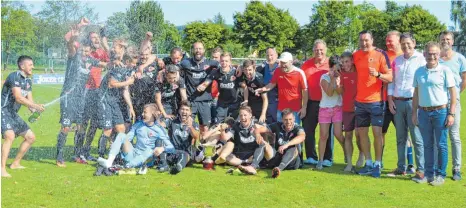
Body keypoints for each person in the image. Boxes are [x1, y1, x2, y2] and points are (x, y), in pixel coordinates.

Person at [56, 24, 107, 167]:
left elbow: (106, 64)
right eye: (83, 50)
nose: (84, 53)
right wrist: (74, 34)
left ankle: (78, 154)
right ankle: (59, 157)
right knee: (65, 126)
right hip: (68, 96)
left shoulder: (91, 60)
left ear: (90, 51)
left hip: (80, 98)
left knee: (80, 127)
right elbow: (70, 44)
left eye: (87, 51)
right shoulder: (74, 56)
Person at [412, 41, 456, 186]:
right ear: (424, 54)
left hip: (441, 112)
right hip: (424, 112)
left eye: (435, 54)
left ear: (439, 54)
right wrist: (414, 113)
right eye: (429, 54)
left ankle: (440, 175)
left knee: (441, 144)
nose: (432, 56)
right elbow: (416, 94)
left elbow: (453, 93)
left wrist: (451, 113)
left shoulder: (445, 70)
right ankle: (428, 174)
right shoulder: (419, 71)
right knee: (427, 145)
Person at [353, 30, 392, 178]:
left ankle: (377, 163)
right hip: (360, 102)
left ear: (372, 40)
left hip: (376, 101)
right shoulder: (355, 55)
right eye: (361, 40)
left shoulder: (381, 54)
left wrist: (378, 75)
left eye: (366, 40)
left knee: (377, 133)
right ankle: (368, 162)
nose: (364, 43)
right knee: (362, 133)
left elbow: (390, 77)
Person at [387, 33, 426, 180]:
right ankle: (401, 167)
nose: (406, 46)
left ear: (414, 43)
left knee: (416, 137)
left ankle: (420, 170)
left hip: (413, 103)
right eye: (403, 44)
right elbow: (392, 82)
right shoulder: (397, 60)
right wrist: (390, 100)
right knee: (400, 137)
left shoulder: (421, 59)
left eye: (408, 43)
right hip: (398, 102)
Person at [1, 56, 45, 177]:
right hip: (3, 111)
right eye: (30, 65)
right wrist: (35, 106)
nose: (33, 67)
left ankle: (15, 163)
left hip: (13, 114)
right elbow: (19, 98)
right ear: (22, 66)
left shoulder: (28, 81)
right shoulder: (14, 76)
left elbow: (29, 101)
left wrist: (34, 111)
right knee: (9, 136)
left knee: (30, 137)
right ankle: (1, 168)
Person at [97, 104, 174, 169]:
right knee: (121, 135)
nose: (142, 114)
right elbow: (127, 138)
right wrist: (117, 144)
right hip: (133, 154)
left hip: (147, 159)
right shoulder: (138, 125)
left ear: (153, 114)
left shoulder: (159, 129)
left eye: (145, 112)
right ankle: (109, 162)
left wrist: (162, 148)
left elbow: (171, 148)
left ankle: (127, 166)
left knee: (150, 150)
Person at [95, 39, 135, 159]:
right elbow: (111, 84)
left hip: (114, 101)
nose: (134, 65)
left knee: (121, 128)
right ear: (128, 61)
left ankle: (116, 156)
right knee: (108, 129)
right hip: (105, 100)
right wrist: (127, 81)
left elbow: (125, 90)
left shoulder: (126, 68)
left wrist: (131, 107)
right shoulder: (117, 65)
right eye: (133, 63)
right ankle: (101, 157)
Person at [301, 39, 334, 166]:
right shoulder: (306, 65)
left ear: (325, 50)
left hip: (327, 103)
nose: (319, 52)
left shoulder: (330, 63)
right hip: (310, 102)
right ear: (313, 51)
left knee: (326, 132)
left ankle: (327, 158)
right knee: (308, 130)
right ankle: (311, 156)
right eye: (316, 50)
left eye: (321, 50)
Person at [438, 31, 465, 181]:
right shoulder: (436, 59)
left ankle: (456, 168)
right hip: (438, 103)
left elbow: (464, 80)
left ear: (452, 41)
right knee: (439, 137)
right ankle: (438, 167)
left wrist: (455, 96)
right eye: (442, 39)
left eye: (448, 39)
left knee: (454, 136)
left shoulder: (460, 59)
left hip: (454, 103)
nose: (445, 41)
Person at [255, 52, 308, 124]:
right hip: (281, 109)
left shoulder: (299, 73)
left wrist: (304, 107)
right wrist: (262, 89)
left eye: (285, 63)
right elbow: (272, 84)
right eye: (281, 62)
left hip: (295, 110)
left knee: (294, 132)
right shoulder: (278, 71)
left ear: (291, 62)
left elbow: (305, 90)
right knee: (280, 132)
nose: (282, 65)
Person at [215, 106, 270, 175]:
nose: (243, 117)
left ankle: (251, 165)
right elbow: (225, 138)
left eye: (245, 115)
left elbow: (268, 131)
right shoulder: (236, 126)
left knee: (262, 147)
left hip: (254, 153)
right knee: (227, 156)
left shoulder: (257, 124)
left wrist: (258, 132)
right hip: (240, 155)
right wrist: (222, 130)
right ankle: (245, 162)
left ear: (250, 115)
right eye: (241, 115)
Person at [179, 42, 220, 133]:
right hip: (191, 100)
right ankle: (189, 146)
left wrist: (239, 68)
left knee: (204, 127)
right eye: (196, 48)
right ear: (193, 50)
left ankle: (202, 147)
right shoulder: (186, 63)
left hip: (204, 101)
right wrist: (162, 72)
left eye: (200, 48)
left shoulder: (210, 62)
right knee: (188, 124)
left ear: (204, 50)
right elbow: (174, 69)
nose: (198, 51)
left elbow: (225, 66)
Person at [315, 56, 345, 171]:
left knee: (338, 134)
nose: (337, 71)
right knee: (323, 136)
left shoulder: (342, 78)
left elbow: (339, 91)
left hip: (337, 108)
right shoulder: (324, 77)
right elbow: (329, 93)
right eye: (335, 69)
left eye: (338, 69)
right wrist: (332, 79)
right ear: (330, 68)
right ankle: (320, 161)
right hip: (325, 109)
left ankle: (346, 153)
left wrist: (338, 81)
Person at [198, 52, 241, 123]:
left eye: (226, 61)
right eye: (222, 61)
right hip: (221, 103)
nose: (224, 63)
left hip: (234, 103)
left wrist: (240, 66)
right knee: (218, 124)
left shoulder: (236, 72)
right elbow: (208, 81)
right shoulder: (216, 71)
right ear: (220, 61)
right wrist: (202, 86)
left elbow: (244, 86)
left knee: (232, 125)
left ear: (230, 62)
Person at [162, 101, 200, 174]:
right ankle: (164, 164)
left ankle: (178, 167)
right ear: (179, 111)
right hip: (172, 152)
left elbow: (196, 136)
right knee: (161, 151)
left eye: (187, 110)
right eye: (182, 109)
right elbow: (160, 126)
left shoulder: (194, 124)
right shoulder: (172, 121)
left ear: (190, 112)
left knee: (184, 155)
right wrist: (158, 118)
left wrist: (190, 127)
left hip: (186, 153)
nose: (184, 112)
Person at [340, 52, 364, 170]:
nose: (345, 64)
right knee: (348, 135)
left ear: (352, 61)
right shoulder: (341, 74)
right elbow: (342, 91)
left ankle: (361, 154)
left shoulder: (358, 72)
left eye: (347, 61)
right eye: (343, 62)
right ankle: (349, 163)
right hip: (346, 109)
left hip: (359, 108)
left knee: (359, 135)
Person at [266, 109, 305, 178]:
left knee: (293, 148)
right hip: (278, 157)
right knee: (264, 145)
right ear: (282, 119)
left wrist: (286, 145)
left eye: (290, 119)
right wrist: (258, 134)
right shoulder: (277, 125)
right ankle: (256, 164)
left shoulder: (298, 128)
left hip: (293, 162)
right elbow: (263, 128)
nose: (288, 122)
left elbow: (302, 136)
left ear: (294, 119)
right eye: (285, 119)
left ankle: (279, 169)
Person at [256, 47, 279, 124]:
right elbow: (249, 67)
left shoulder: (281, 68)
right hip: (265, 100)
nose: (269, 57)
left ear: (276, 55)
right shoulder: (263, 67)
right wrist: (240, 67)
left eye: (272, 55)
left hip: (277, 101)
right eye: (267, 55)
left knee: (276, 124)